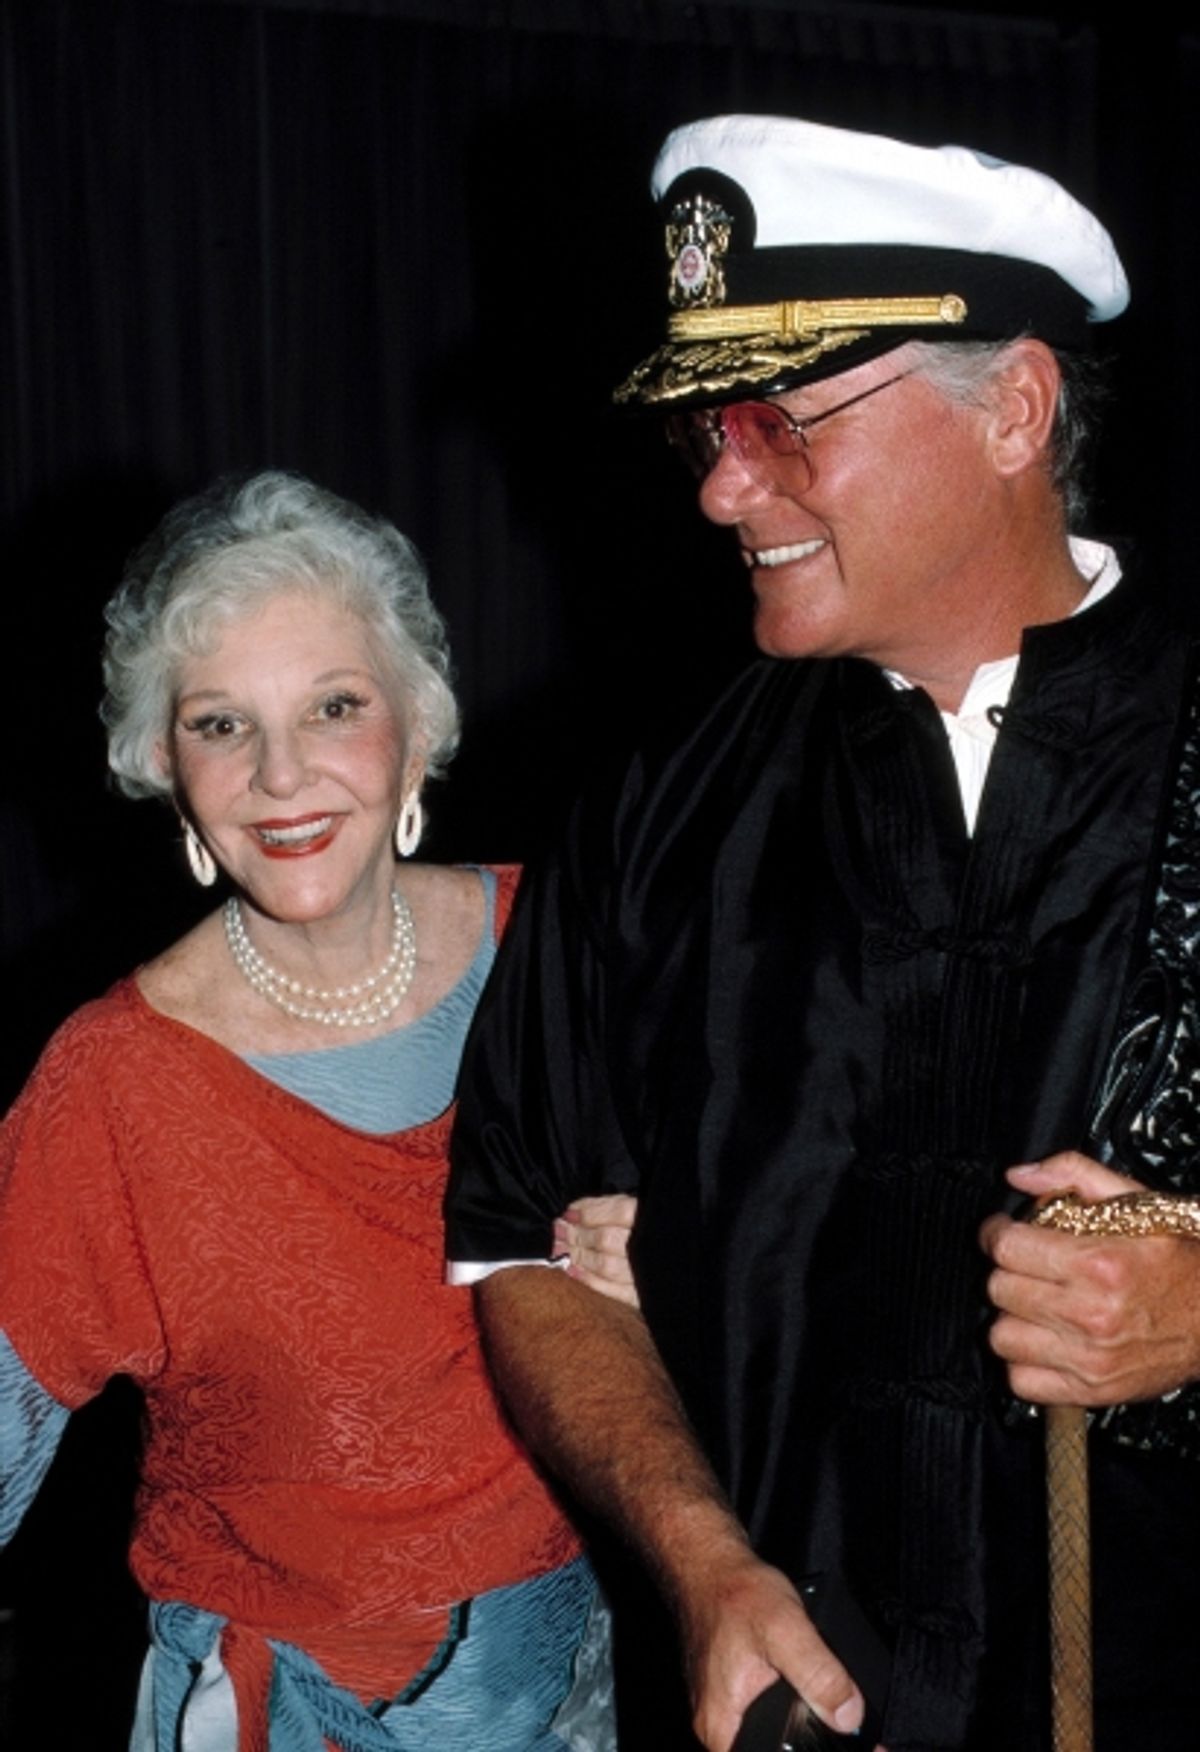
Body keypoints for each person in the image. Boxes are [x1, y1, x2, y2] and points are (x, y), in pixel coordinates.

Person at [446, 115, 1200, 1752]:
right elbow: (515, 1244)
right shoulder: (661, 810)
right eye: (708, 430)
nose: (725, 488)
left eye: (782, 423)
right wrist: (700, 1560)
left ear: (1012, 409)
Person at [0, 469, 633, 1752]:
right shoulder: (113, 1085)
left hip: (570, 1692)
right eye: (221, 724)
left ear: (417, 724)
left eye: (334, 706)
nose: (281, 775)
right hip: (277, 1716)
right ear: (166, 765)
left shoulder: (568, 954)